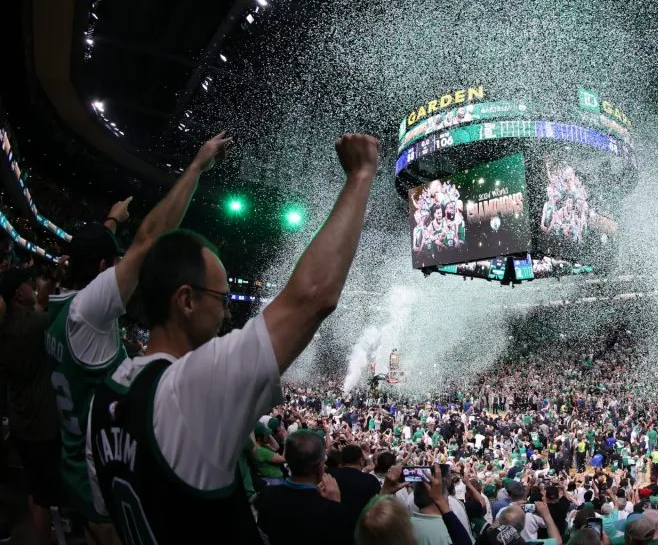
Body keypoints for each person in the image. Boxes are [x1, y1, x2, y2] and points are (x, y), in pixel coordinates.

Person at [83, 134, 379, 543]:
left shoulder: (103, 399)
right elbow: (311, 298)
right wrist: (360, 176)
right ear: (186, 301)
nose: (226, 312)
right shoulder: (190, 387)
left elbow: (102, 527)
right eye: (221, 298)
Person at [46, 133, 229, 539]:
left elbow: (86, 259)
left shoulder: (55, 306)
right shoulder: (86, 312)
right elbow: (148, 243)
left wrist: (111, 221)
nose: (119, 271)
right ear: (101, 266)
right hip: (98, 478)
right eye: (112, 262)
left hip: (74, 465)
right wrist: (197, 166)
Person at [0, 266, 61, 544]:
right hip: (41, 425)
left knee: (33, 487)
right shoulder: (34, 326)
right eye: (28, 284)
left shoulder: (10, 326)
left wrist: (44, 293)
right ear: (18, 294)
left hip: (20, 422)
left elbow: (35, 313)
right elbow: (57, 317)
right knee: (43, 499)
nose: (32, 286)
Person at [254, 430, 351, 545]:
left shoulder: (266, 496)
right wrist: (336, 506)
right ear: (321, 466)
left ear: (288, 462)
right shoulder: (332, 509)